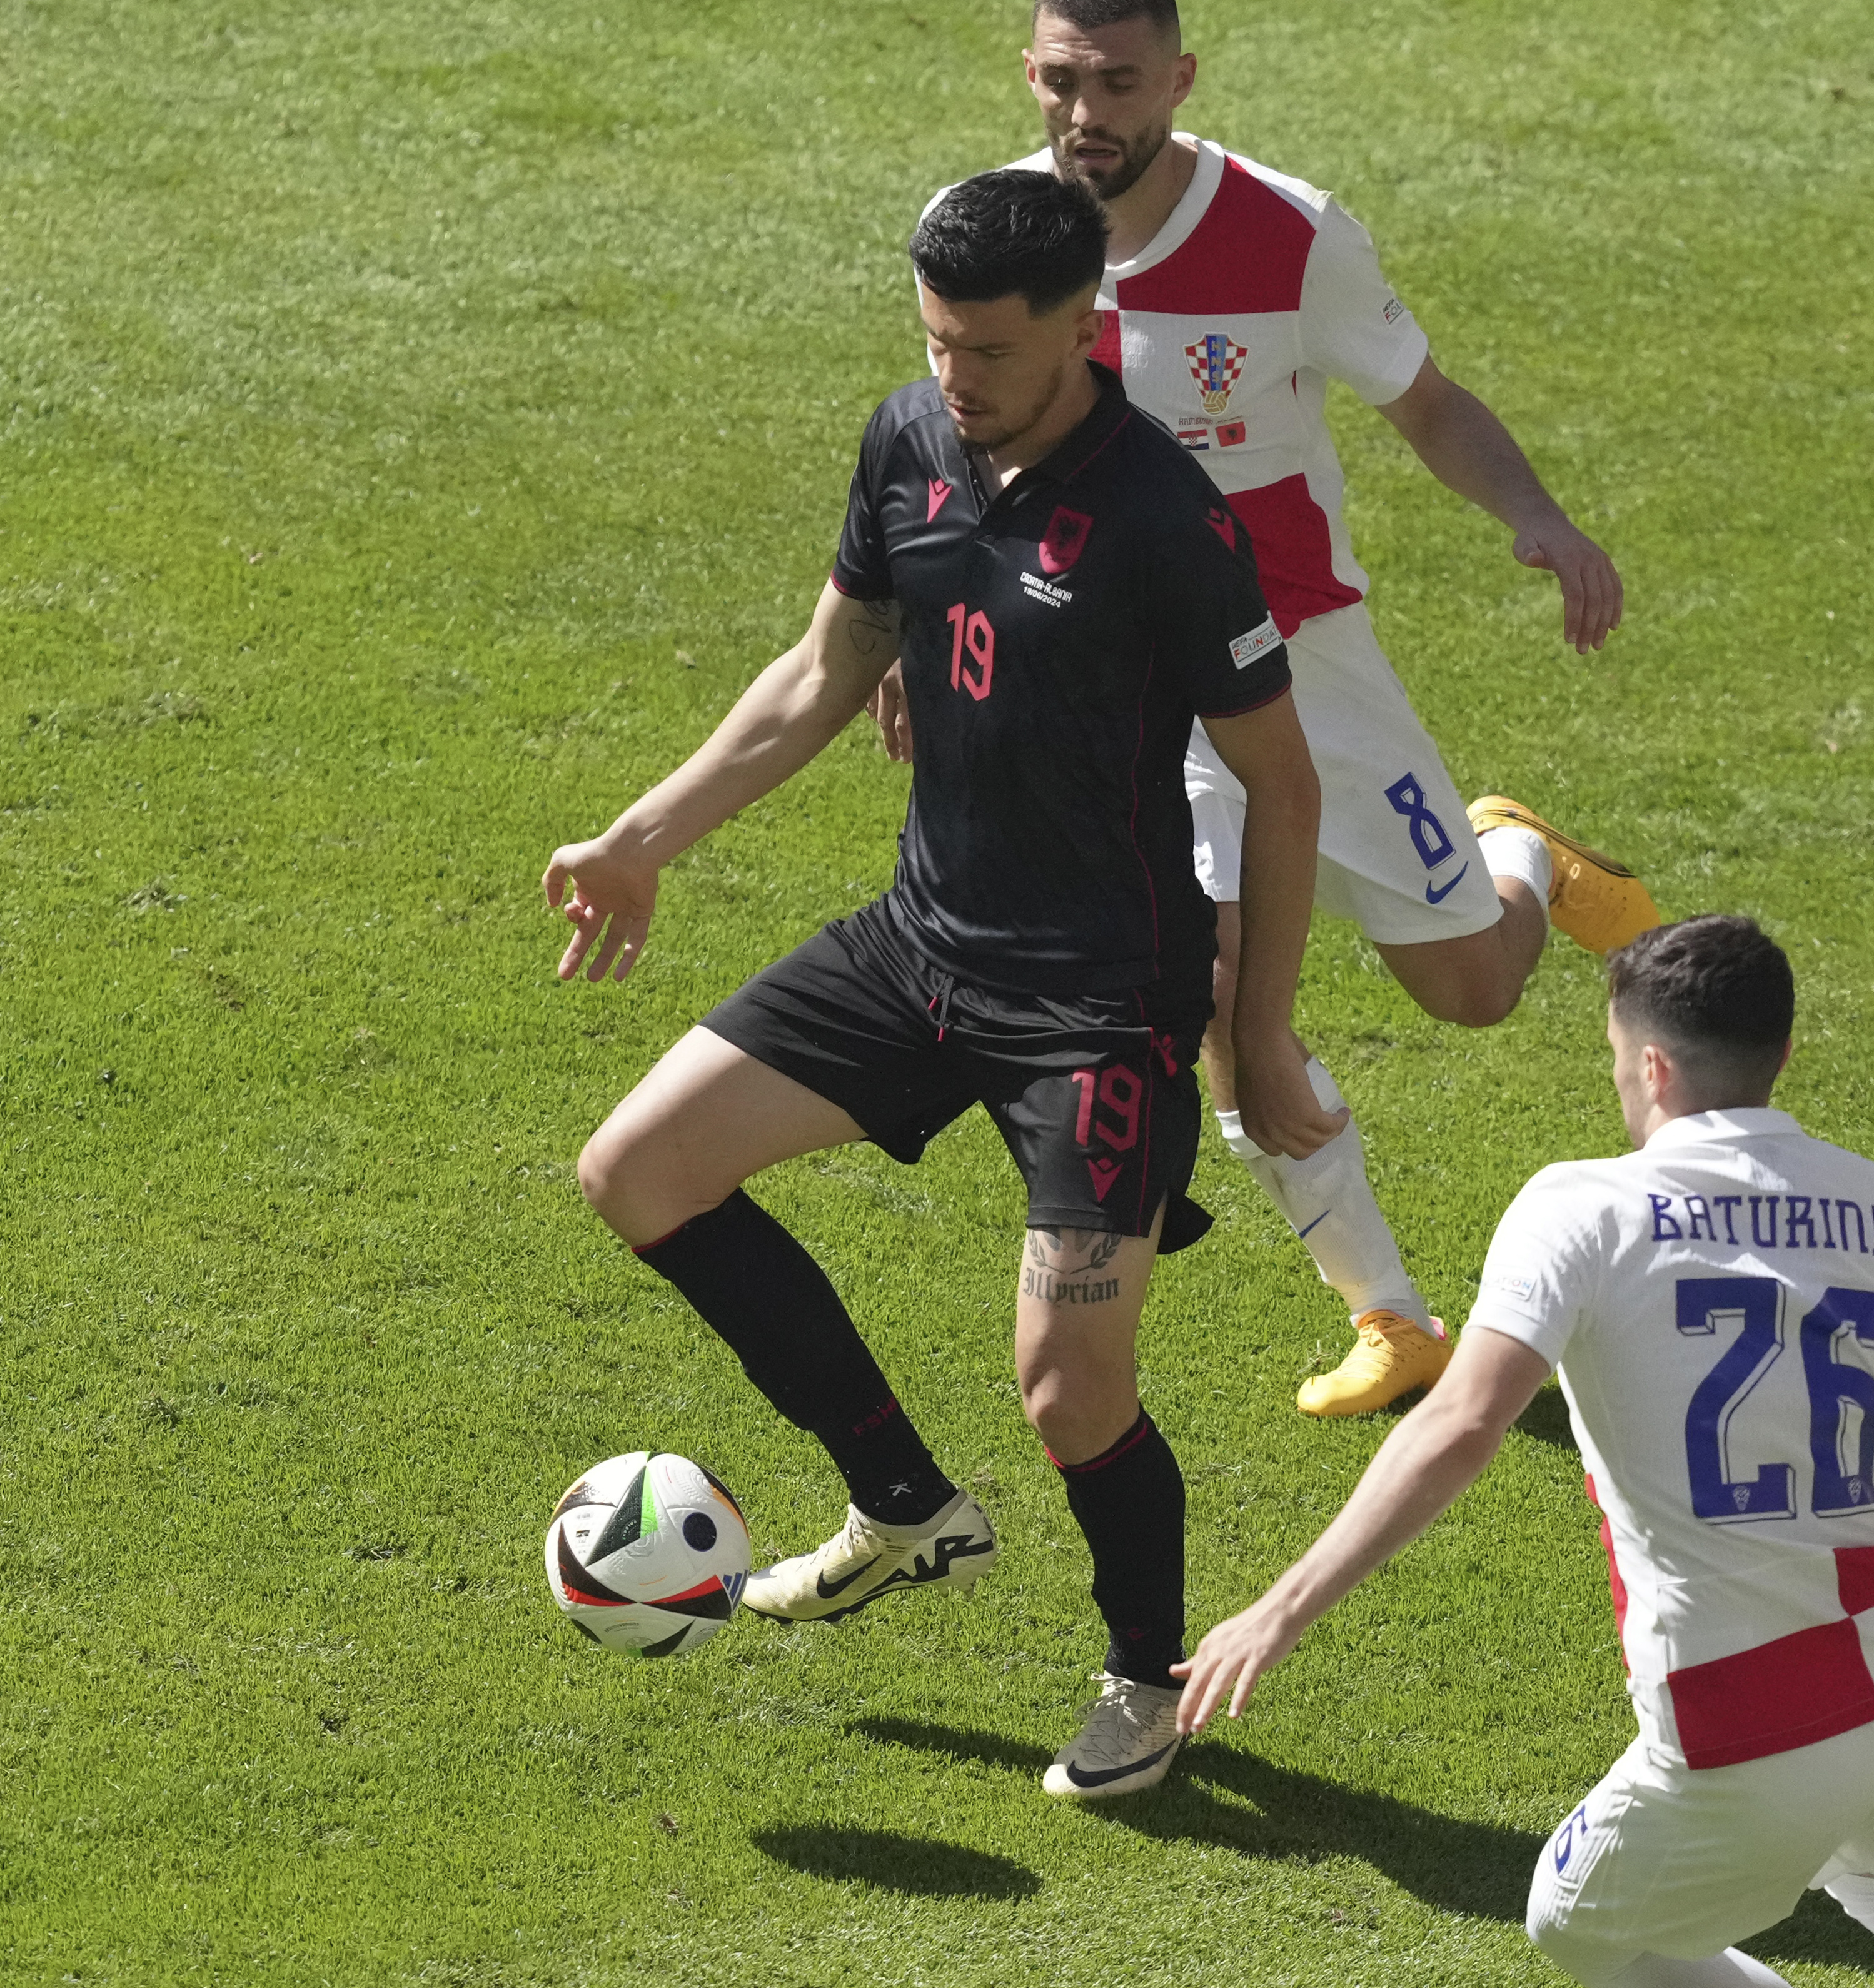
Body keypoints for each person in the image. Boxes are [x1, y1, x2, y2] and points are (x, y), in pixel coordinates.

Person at [550, 169, 1339, 1802]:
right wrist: (644, 837)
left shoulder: (1164, 523)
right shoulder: (907, 441)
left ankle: (1145, 1683)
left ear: (1080, 324)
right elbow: (821, 676)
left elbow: (1282, 780)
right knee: (637, 1171)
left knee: (1069, 1384)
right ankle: (901, 1505)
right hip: (920, 948)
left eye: (989, 350)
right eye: (934, 340)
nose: (956, 379)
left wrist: (1252, 1034)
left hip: (1098, 1011)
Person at [885, 0, 1663, 1420]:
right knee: (1216, 995)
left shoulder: (1286, 235)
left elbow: (1422, 400)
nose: (1085, 109)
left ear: (1178, 80)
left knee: (1470, 991)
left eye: (1118, 81)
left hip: (1301, 659)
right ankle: (1392, 1315)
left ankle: (1522, 862)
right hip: (1120, 680)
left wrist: (1537, 517)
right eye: (1060, 76)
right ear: (1028, 71)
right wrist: (930, 642)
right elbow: (960, 440)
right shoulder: (984, 232)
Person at [1176, 916, 1874, 1986]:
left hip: (1744, 1702)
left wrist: (1278, 1608)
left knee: (1578, 1923)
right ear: (1781, 1054)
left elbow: (1463, 1422)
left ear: (1650, 1064)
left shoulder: (1584, 1208)